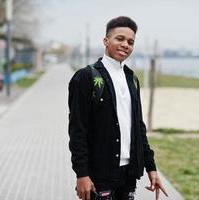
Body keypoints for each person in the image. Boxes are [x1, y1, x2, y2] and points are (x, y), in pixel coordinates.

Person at [68, 16, 167, 200]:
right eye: (119, 38)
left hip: (129, 174)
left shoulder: (132, 79)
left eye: (130, 42)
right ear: (106, 41)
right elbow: (77, 129)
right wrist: (81, 173)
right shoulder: (85, 77)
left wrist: (151, 168)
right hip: (100, 173)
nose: (125, 45)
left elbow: (138, 126)